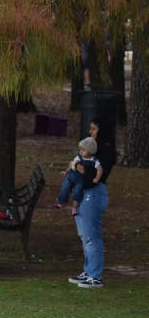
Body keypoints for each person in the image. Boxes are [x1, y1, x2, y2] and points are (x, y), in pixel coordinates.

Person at [68, 120, 116, 289]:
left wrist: (81, 169)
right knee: (85, 236)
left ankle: (95, 275)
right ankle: (88, 271)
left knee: (92, 236)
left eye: (94, 129)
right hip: (83, 194)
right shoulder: (91, 150)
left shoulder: (106, 151)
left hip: (93, 195)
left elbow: (97, 175)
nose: (91, 132)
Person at [55, 137, 102, 216]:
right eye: (80, 149)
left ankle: (74, 207)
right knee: (64, 188)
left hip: (80, 179)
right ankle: (61, 202)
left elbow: (100, 169)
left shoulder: (94, 160)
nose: (81, 151)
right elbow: (72, 164)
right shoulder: (78, 157)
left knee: (77, 192)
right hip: (71, 176)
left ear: (90, 151)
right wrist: (66, 172)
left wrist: (97, 178)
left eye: (83, 149)